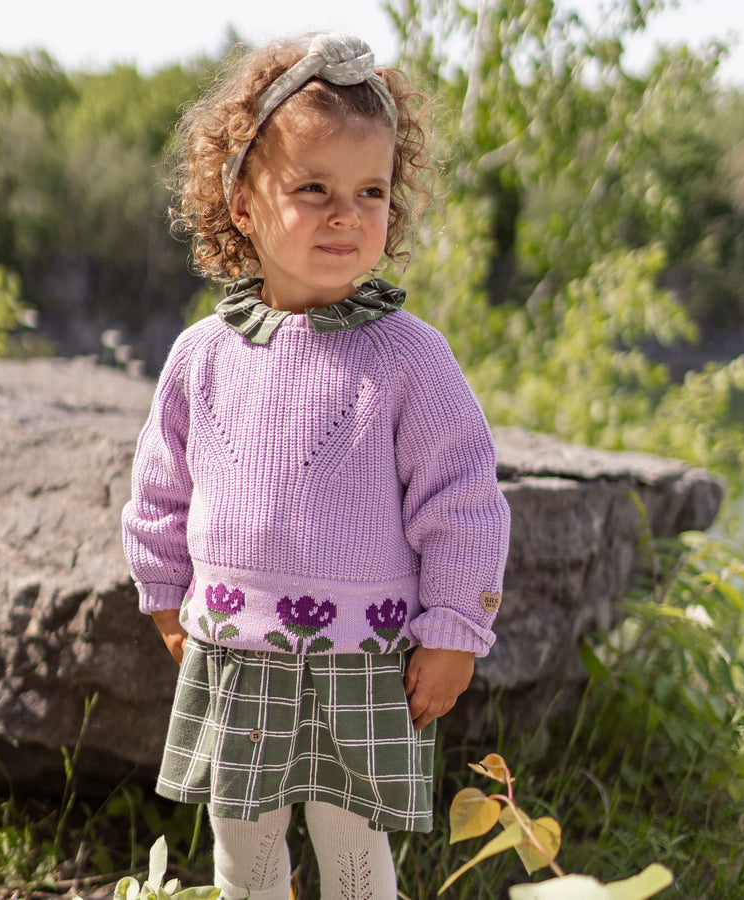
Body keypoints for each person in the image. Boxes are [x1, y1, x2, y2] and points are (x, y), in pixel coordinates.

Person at [122, 32, 510, 900]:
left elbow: (464, 498)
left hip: (364, 661)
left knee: (356, 853)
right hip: (234, 653)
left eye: (370, 192)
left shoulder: (411, 357)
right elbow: (161, 486)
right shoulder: (203, 355)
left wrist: (454, 625)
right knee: (244, 851)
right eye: (314, 189)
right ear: (244, 205)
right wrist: (162, 596)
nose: (347, 214)